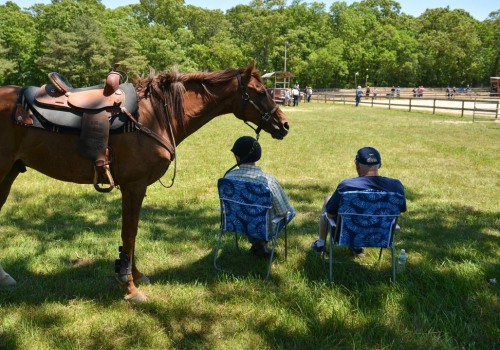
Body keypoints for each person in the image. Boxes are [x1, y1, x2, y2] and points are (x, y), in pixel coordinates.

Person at [310, 147, 406, 255]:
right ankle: (356, 247)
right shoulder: (396, 187)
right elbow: (400, 210)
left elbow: (330, 214)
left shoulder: (346, 186)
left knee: (329, 199)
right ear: (380, 165)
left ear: (357, 164)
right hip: (380, 236)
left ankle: (320, 244)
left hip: (346, 235)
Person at [225, 136, 294, 258]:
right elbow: (283, 213)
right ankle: (261, 242)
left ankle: (257, 244)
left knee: (251, 215)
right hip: (262, 227)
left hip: (238, 223)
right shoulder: (268, 181)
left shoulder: (228, 178)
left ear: (237, 157)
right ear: (258, 155)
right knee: (290, 211)